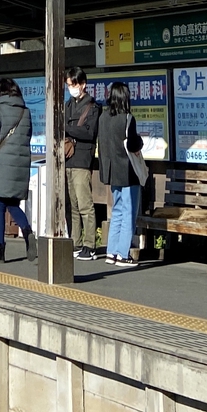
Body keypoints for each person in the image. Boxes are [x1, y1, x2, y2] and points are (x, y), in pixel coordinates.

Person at [0, 78, 36, 263]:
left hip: (3, 161)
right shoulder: (26, 111)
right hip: (21, 163)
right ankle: (27, 231)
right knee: (13, 204)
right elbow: (28, 136)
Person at [98, 80, 145, 267]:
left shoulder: (103, 118)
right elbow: (133, 145)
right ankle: (123, 254)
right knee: (129, 212)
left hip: (111, 171)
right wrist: (140, 141)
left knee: (117, 211)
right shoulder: (127, 118)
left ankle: (111, 252)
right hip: (128, 170)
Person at [64, 68, 100, 260]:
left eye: (74, 84)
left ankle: (90, 245)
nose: (71, 88)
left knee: (85, 204)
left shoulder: (93, 107)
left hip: (82, 159)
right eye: (69, 85)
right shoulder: (68, 104)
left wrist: (68, 128)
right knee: (72, 204)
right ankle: (75, 241)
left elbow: (89, 133)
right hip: (68, 158)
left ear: (83, 84)